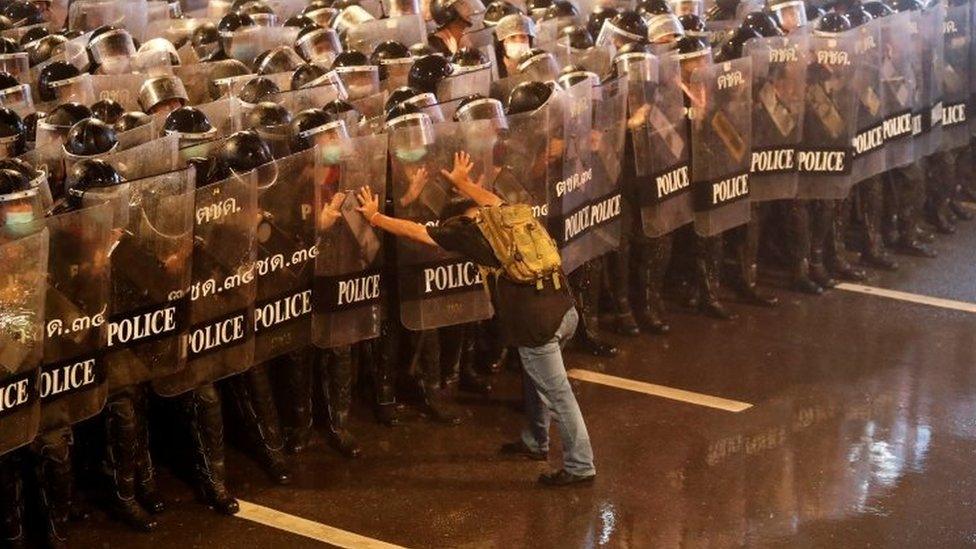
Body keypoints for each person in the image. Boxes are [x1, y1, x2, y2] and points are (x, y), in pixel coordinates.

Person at [354, 151, 596, 486]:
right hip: (564, 308)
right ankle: (535, 441)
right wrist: (464, 182)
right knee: (537, 379)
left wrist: (375, 217)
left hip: (534, 324)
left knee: (558, 394)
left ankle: (580, 465)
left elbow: (416, 231)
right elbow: (489, 196)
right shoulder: (503, 215)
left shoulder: (469, 235)